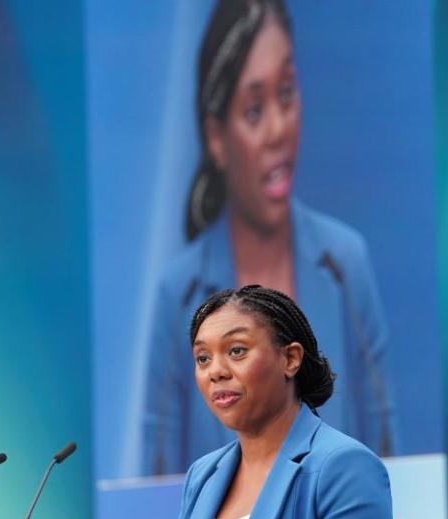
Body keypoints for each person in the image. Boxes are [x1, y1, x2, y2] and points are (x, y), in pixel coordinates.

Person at [142, 0, 396, 475]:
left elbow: (389, 449)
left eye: (287, 92)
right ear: (216, 137)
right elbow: (151, 488)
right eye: (254, 110)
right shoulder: (178, 294)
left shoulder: (344, 265)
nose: (279, 128)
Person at [175, 285, 394, 519]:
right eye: (203, 358)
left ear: (290, 359)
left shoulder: (343, 467)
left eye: (237, 351)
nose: (216, 371)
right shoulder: (202, 475)